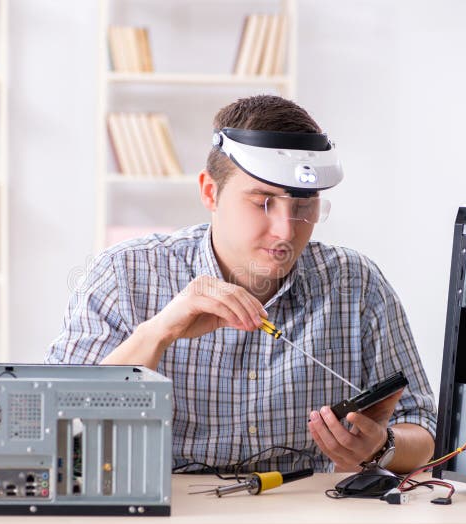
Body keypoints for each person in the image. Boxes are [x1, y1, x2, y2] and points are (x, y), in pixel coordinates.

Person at [45, 95, 436, 474]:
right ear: (210, 192)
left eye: (303, 206)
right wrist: (157, 333)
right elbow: (60, 433)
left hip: (305, 515)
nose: (285, 230)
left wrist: (381, 447)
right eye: (263, 201)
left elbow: (423, 426)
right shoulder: (125, 274)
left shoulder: (356, 284)